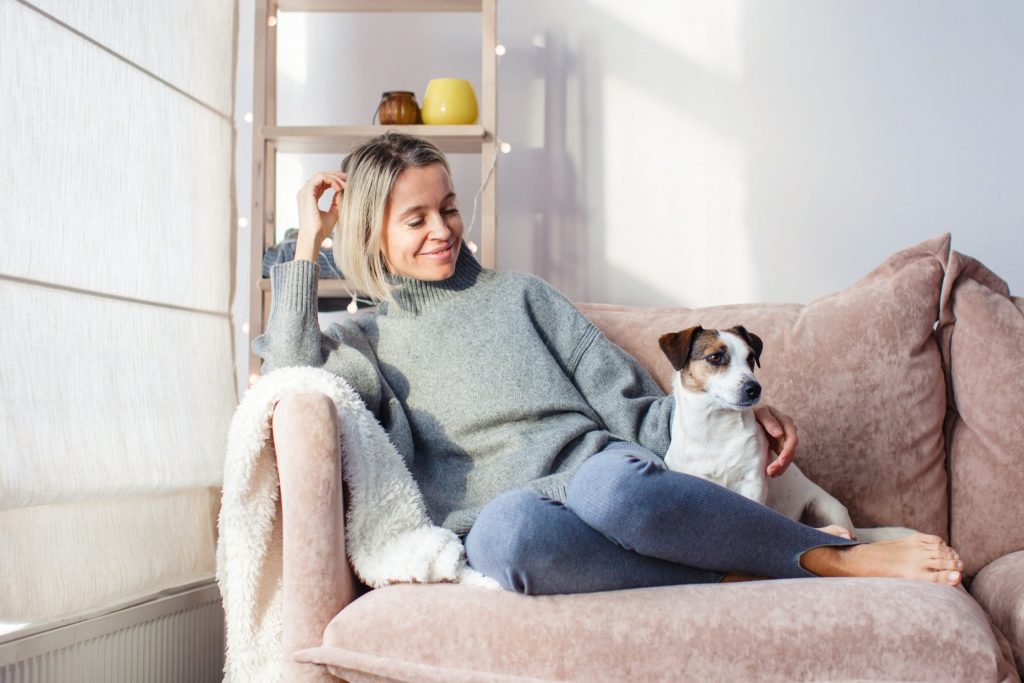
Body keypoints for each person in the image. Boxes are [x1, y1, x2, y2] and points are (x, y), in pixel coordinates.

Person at [253, 131, 963, 595]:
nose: (443, 230)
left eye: (448, 208)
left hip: (609, 481)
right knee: (508, 544)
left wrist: (727, 402)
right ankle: (737, 562)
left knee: (614, 492)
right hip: (525, 515)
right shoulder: (368, 344)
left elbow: (630, 402)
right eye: (416, 219)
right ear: (371, 231)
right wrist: (309, 243)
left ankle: (824, 555)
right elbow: (288, 374)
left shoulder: (522, 296)